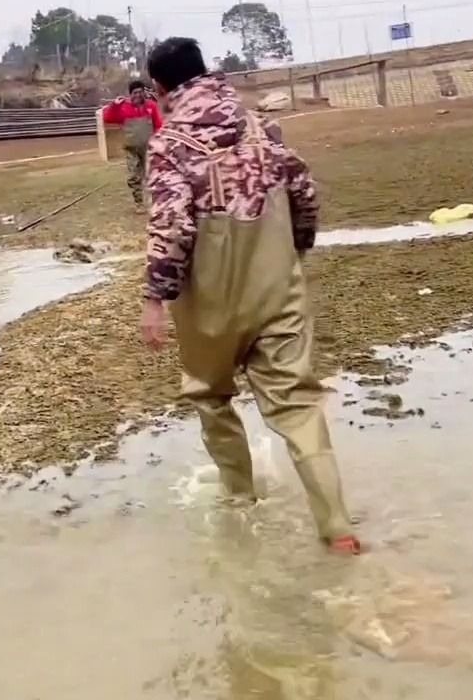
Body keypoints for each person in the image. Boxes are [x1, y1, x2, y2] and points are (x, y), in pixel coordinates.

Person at [140, 37, 361, 555]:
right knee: (298, 405)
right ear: (208, 73)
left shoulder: (169, 145)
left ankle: (239, 503)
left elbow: (171, 227)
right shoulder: (263, 128)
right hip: (277, 287)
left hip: (211, 301)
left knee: (210, 395)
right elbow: (304, 191)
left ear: (160, 87)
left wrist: (154, 298)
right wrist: (294, 251)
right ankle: (338, 529)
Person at [100, 79, 163, 206]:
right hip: (131, 148)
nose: (138, 95)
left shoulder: (151, 106)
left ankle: (154, 201)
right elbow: (107, 118)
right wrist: (115, 105)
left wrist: (159, 140)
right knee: (134, 176)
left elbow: (158, 124)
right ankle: (138, 202)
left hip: (148, 148)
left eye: (140, 92)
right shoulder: (123, 107)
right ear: (131, 94)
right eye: (135, 93)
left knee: (151, 174)